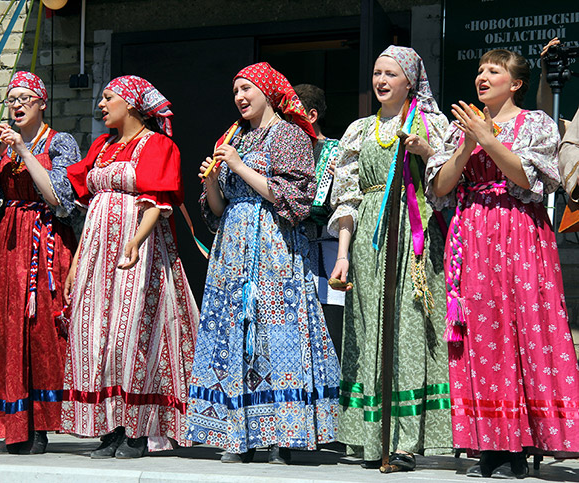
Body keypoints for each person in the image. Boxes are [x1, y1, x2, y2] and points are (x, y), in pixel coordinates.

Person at [427, 48, 579, 478]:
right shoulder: (461, 128)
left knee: (526, 328)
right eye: (480, 70)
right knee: (482, 334)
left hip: (520, 232)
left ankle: (525, 442)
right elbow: (440, 187)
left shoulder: (536, 123)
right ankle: (490, 444)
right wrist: (467, 145)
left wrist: (489, 139)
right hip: (474, 234)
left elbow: (530, 178)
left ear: (515, 83)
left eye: (493, 71)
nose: (482, 76)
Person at [186, 62, 341, 465]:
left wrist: (239, 166)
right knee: (234, 334)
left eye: (246, 88)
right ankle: (239, 434)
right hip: (233, 247)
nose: (239, 97)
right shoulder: (233, 136)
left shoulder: (289, 135)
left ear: (268, 91)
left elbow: (296, 200)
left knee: (277, 333)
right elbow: (217, 209)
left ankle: (283, 435)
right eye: (235, 91)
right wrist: (211, 183)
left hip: (274, 244)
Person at [328, 46, 452, 471]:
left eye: (391, 74)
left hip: (415, 230)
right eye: (377, 72)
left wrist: (425, 151)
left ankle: (404, 441)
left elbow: (449, 182)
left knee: (410, 326)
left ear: (410, 81)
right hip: (370, 235)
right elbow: (347, 196)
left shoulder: (432, 124)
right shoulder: (359, 129)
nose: (381, 80)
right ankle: (370, 437)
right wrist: (342, 254)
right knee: (368, 327)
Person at [62, 75, 199, 459]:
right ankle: (111, 427)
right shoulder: (102, 147)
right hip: (96, 251)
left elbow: (157, 202)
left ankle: (139, 430)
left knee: (133, 334)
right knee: (96, 336)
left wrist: (136, 241)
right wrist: (77, 261)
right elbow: (91, 208)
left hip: (138, 249)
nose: (101, 105)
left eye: (109, 97)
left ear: (133, 103)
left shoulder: (156, 145)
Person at [0, 71, 81, 454]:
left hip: (47, 241)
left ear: (41, 103)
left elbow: (58, 197)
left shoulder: (59, 142)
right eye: (11, 99)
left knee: (41, 331)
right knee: (4, 328)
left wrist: (26, 151)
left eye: (24, 99)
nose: (17, 105)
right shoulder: (2, 147)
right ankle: (11, 424)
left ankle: (40, 427)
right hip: (9, 243)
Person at [293, 83, 345, 357]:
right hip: (294, 252)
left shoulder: (337, 151)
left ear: (311, 116)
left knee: (331, 331)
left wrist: (341, 180)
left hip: (328, 249)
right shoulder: (284, 154)